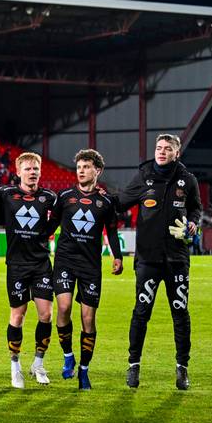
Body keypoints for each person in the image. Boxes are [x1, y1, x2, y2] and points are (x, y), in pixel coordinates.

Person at [116, 134, 201, 390]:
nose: (161, 152)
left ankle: (182, 368)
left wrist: (193, 224)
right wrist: (99, 198)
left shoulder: (188, 180)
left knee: (180, 313)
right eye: (158, 148)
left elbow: (195, 208)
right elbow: (120, 202)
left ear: (177, 153)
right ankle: (133, 365)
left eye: (167, 148)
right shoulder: (143, 176)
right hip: (148, 260)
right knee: (141, 313)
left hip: (177, 259)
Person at [45, 149, 123, 390]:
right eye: (79, 167)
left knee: (88, 319)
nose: (81, 171)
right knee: (64, 307)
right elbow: (51, 225)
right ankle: (68, 355)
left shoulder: (106, 202)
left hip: (90, 265)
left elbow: (111, 231)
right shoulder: (65, 196)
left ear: (97, 171)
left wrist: (117, 256)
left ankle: (84, 370)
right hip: (65, 260)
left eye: (86, 167)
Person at [0, 152, 59, 388]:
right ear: (18, 171)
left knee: (46, 315)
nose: (32, 172)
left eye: (36, 169)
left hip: (41, 263)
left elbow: (57, 219)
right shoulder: (5, 194)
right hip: (17, 265)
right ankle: (15, 367)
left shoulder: (49, 197)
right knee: (17, 316)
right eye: (28, 169)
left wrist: (45, 232)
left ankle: (38, 364)